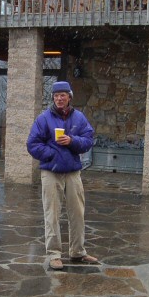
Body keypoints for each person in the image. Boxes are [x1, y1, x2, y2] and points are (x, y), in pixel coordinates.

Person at [27, 81, 97, 271]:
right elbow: (32, 144)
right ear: (53, 98)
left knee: (77, 213)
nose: (59, 98)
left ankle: (78, 251)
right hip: (50, 172)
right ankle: (54, 254)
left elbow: (88, 140)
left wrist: (72, 140)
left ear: (69, 97)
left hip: (73, 172)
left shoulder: (79, 118)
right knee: (52, 214)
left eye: (63, 95)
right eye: (56, 95)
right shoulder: (43, 119)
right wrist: (51, 154)